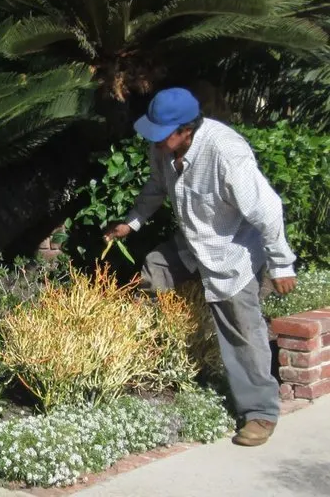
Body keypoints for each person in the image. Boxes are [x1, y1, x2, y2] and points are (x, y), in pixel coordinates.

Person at [105, 87, 297, 448]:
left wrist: (281, 264)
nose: (156, 142)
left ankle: (260, 412)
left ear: (187, 130)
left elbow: (268, 210)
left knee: (242, 329)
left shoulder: (226, 152)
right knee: (153, 270)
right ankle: (167, 355)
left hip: (233, 252)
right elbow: (155, 188)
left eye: (163, 135)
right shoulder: (165, 148)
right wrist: (131, 223)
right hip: (193, 244)